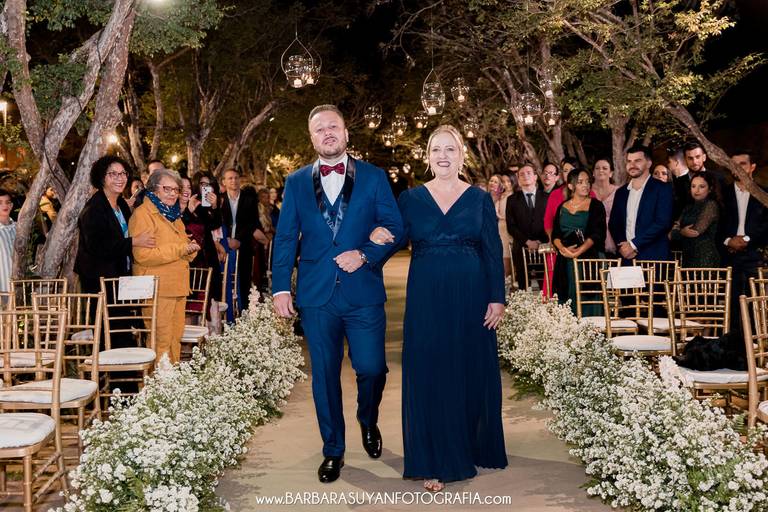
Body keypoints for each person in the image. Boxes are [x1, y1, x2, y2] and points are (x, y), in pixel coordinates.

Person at [271, 105, 404, 484]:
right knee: (324, 376)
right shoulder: (296, 182)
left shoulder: (374, 177)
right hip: (316, 296)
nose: (327, 133)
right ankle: (333, 449)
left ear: (346, 133)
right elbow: (285, 237)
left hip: (363, 291)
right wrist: (281, 287)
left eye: (333, 127)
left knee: (372, 368)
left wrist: (364, 253)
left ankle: (368, 418)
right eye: (320, 129)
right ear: (312, 138)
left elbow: (395, 227)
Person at [387, 124, 508, 491]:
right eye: (436, 150)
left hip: (471, 294)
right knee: (431, 369)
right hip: (426, 296)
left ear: (461, 156)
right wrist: (365, 246)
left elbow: (492, 250)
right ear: (428, 157)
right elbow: (391, 237)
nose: (443, 156)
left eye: (450, 149)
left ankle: (467, 444)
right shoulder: (410, 199)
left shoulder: (479, 198)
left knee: (467, 368)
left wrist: (497, 298)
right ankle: (435, 459)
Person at [129, 168, 199, 364]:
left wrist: (190, 249)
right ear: (153, 189)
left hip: (178, 287)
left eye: (176, 190)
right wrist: (180, 249)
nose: (172, 194)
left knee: (175, 339)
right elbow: (142, 256)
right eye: (167, 189)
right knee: (160, 342)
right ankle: (159, 382)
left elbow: (182, 246)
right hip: (157, 289)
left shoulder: (174, 215)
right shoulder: (143, 214)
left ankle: (173, 381)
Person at [75, 156, 156, 295]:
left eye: (123, 173)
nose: (120, 178)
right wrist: (134, 241)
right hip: (101, 280)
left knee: (136, 308)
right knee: (111, 312)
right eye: (113, 174)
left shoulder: (121, 204)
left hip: (124, 275)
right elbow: (97, 246)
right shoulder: (94, 209)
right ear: (101, 178)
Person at [720, 150, 768, 331]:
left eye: (742, 164)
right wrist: (728, 241)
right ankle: (731, 342)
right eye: (734, 164)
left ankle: (754, 343)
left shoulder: (763, 194)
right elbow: (717, 226)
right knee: (731, 303)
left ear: (752, 167)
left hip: (754, 255)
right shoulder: (722, 194)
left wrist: (747, 239)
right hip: (728, 255)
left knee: (754, 303)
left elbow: (766, 226)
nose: (737, 168)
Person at [552, 169, 606, 314]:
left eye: (588, 181)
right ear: (571, 186)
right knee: (567, 298)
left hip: (589, 259)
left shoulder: (596, 205)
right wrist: (563, 249)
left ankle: (591, 327)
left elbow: (598, 233)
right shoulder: (562, 207)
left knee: (588, 299)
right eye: (580, 182)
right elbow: (555, 234)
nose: (586, 185)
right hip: (565, 260)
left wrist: (578, 252)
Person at [609, 144, 675, 263]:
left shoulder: (662, 189)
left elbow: (662, 223)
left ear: (649, 163)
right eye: (629, 161)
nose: (632, 165)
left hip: (653, 258)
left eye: (637, 161)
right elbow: (614, 223)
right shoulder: (621, 192)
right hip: (625, 257)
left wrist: (633, 245)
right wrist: (623, 246)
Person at [220, 168, 267, 309]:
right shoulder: (219, 199)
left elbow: (253, 224)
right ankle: (227, 311)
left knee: (244, 281)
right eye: (230, 178)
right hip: (223, 245)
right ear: (224, 182)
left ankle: (243, 312)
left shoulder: (249, 200)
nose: (233, 181)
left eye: (236, 177)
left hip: (244, 246)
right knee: (225, 280)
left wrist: (239, 240)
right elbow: (217, 222)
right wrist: (227, 239)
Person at [505, 164, 549, 289]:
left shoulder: (547, 197)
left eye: (529, 173)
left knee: (546, 286)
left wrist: (540, 241)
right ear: (518, 180)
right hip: (521, 248)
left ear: (535, 177)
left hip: (544, 247)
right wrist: (527, 242)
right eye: (522, 174)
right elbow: (511, 226)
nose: (525, 176)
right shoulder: (512, 200)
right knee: (523, 286)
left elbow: (551, 222)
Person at [670, 173, 720, 268]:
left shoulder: (711, 205)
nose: (696, 190)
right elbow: (671, 235)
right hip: (687, 256)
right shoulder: (688, 207)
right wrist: (682, 232)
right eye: (693, 186)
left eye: (701, 187)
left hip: (705, 257)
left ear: (710, 189)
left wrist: (679, 231)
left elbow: (695, 232)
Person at [592, 158, 619, 258]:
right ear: (593, 173)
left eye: (605, 168)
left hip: (615, 240)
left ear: (611, 173)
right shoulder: (586, 191)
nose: (601, 170)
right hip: (592, 241)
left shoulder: (619, 192)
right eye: (597, 168)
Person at [490, 174, 513, 278]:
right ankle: (505, 279)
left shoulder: (515, 196)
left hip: (512, 227)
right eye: (504, 182)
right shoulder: (501, 196)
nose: (506, 184)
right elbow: (496, 211)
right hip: (502, 227)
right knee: (504, 253)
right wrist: (503, 218)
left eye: (509, 181)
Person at [0, 189, 16, 293]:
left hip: (21, 288)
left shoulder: (19, 228)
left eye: (7, 202)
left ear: (11, 205)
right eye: (0, 203)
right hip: (2, 290)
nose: (4, 205)